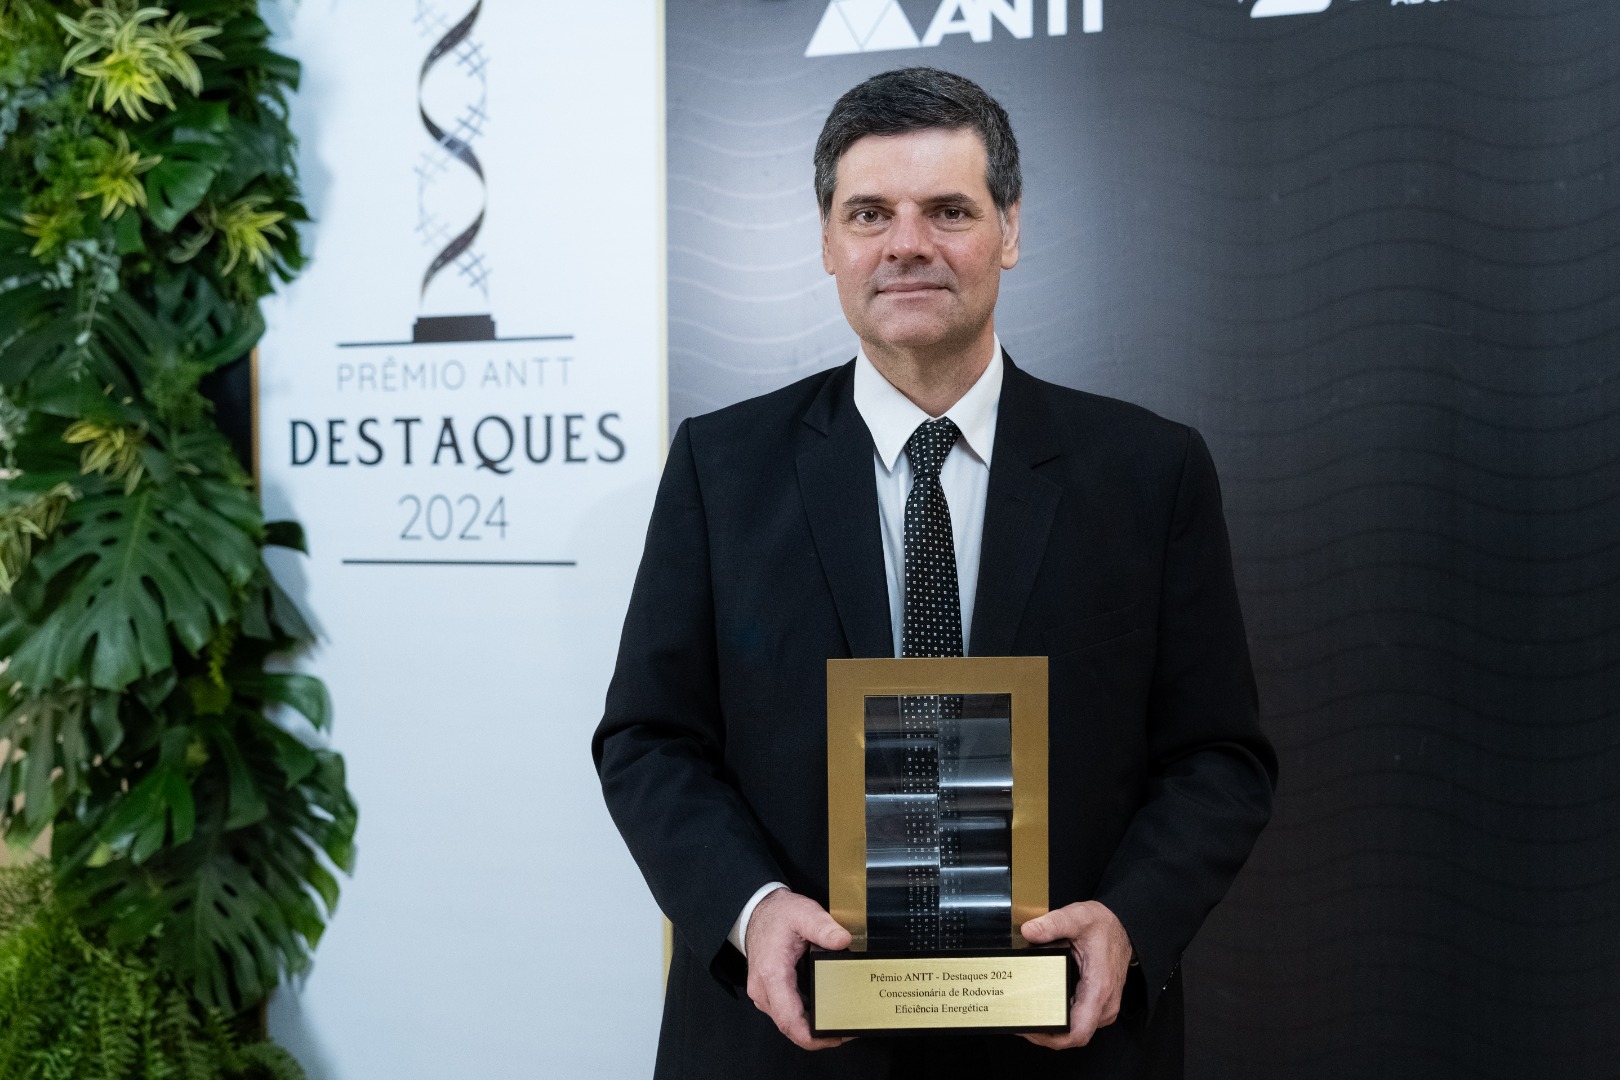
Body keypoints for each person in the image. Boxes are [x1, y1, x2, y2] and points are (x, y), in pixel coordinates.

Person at [593, 67, 1276, 1080]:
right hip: (786, 1044)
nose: (906, 244)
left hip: (1062, 1042)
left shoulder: (1150, 471)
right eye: (869, 213)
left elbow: (1219, 756)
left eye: (948, 210)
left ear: (1010, 229)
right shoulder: (720, 466)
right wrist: (754, 910)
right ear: (828, 241)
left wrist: (1132, 921)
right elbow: (649, 739)